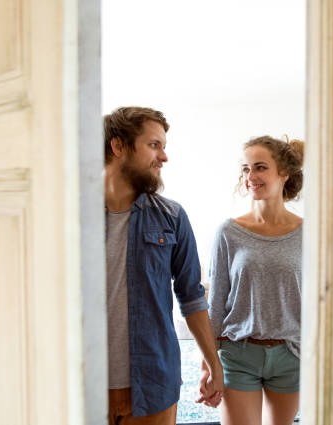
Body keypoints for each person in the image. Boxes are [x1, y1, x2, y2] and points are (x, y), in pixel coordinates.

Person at [103, 106, 223, 425]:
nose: (164, 157)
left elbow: (192, 296)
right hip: (81, 383)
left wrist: (213, 363)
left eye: (164, 147)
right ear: (119, 147)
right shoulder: (70, 214)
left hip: (153, 385)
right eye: (154, 145)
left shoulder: (172, 216)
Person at [205, 135, 304, 425]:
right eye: (246, 169)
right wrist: (209, 365)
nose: (251, 176)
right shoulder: (228, 232)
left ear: (284, 173)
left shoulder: (309, 234)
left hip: (291, 355)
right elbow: (216, 303)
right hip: (239, 354)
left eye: (260, 167)